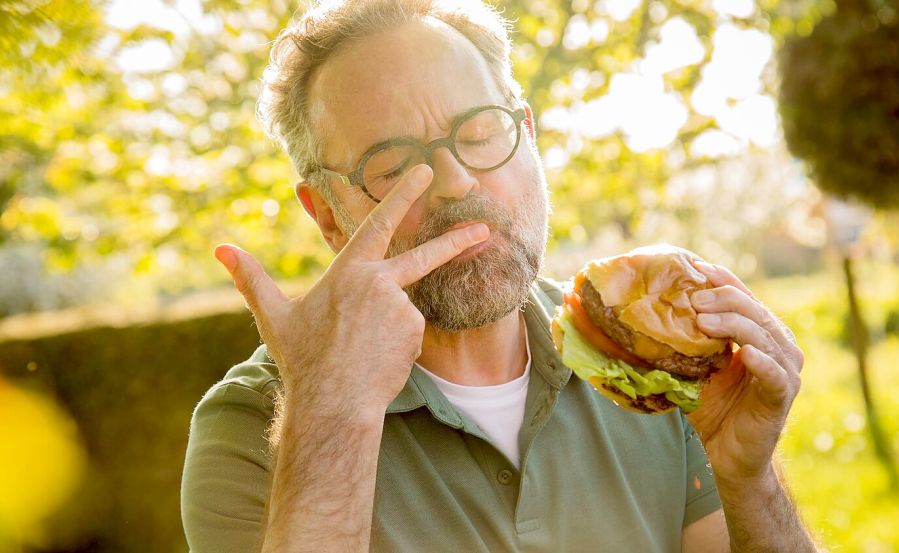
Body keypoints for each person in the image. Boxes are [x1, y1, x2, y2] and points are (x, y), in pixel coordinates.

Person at [180, 1, 819, 551]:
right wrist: (331, 416)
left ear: (530, 138)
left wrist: (748, 481)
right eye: (393, 163)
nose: (456, 182)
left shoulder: (645, 358)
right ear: (327, 215)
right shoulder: (248, 428)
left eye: (481, 131)